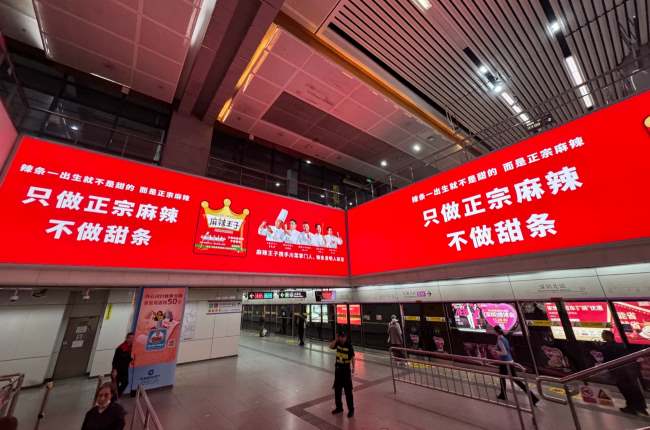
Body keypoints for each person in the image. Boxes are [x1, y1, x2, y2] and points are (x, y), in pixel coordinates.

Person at [601, 330, 648, 415]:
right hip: (630, 369)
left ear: (608, 336)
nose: (602, 337)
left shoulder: (607, 346)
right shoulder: (622, 344)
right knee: (634, 388)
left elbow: (607, 359)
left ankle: (631, 407)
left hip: (619, 371)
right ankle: (641, 407)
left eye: (603, 335)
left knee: (626, 389)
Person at [494, 325, 539, 405]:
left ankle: (533, 398)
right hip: (509, 361)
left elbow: (504, 352)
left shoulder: (500, 340)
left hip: (506, 362)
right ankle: (503, 394)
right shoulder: (503, 338)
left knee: (511, 379)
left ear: (496, 332)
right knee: (503, 378)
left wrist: (497, 352)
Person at [329, 329, 355, 418]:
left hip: (346, 371)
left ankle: (351, 410)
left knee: (348, 391)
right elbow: (330, 346)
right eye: (341, 337)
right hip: (338, 370)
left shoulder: (349, 345)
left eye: (344, 337)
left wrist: (353, 367)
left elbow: (353, 357)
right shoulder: (338, 343)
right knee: (337, 390)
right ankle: (339, 408)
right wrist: (336, 340)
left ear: (346, 337)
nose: (342, 339)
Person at [111, 333, 134, 397]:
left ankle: (116, 396)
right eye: (130, 338)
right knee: (115, 385)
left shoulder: (132, 348)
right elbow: (115, 360)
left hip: (124, 369)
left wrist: (132, 359)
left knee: (125, 382)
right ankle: (113, 397)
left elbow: (128, 359)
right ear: (126, 338)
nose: (131, 340)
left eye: (133, 338)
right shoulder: (120, 348)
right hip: (117, 369)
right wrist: (114, 370)